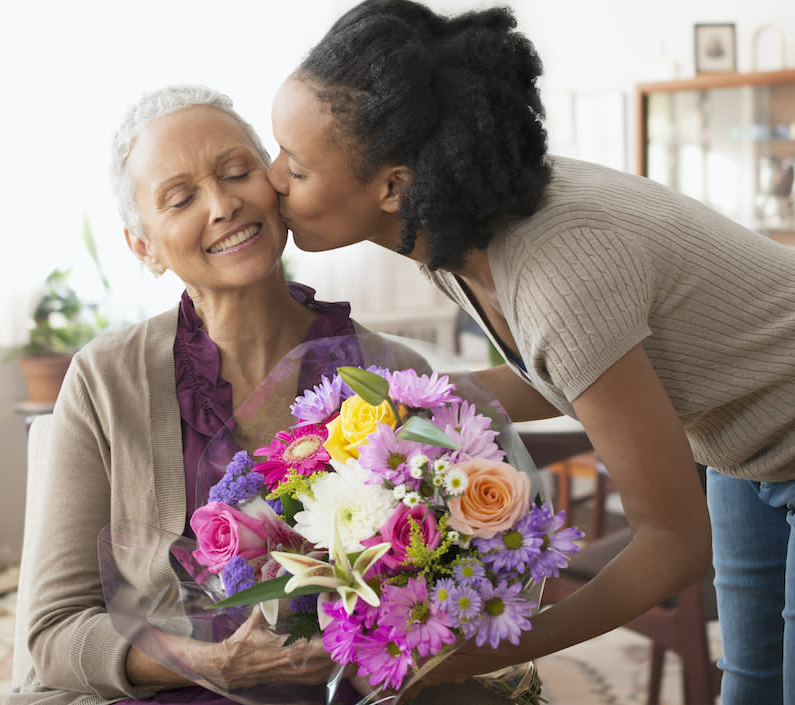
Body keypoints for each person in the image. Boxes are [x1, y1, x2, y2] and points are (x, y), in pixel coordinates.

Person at [265, 2, 795, 704]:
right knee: (753, 691)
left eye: (296, 167)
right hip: (748, 443)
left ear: (394, 184)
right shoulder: (449, 227)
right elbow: (586, 369)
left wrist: (494, 642)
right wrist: (398, 410)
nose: (272, 178)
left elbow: (672, 541)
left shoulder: (551, 269)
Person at [4, 84, 351, 705]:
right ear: (144, 247)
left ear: (276, 182)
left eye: (237, 172)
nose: (221, 205)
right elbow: (54, 635)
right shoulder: (104, 378)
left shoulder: (382, 372)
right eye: (181, 198)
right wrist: (211, 663)